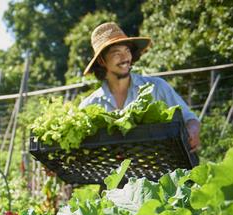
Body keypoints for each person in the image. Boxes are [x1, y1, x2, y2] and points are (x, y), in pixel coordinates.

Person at [79, 22, 201, 151]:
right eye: (116, 53)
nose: (125, 58)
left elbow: (190, 119)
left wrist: (192, 131)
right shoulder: (89, 106)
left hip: (162, 166)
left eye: (127, 51)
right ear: (101, 61)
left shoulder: (157, 87)